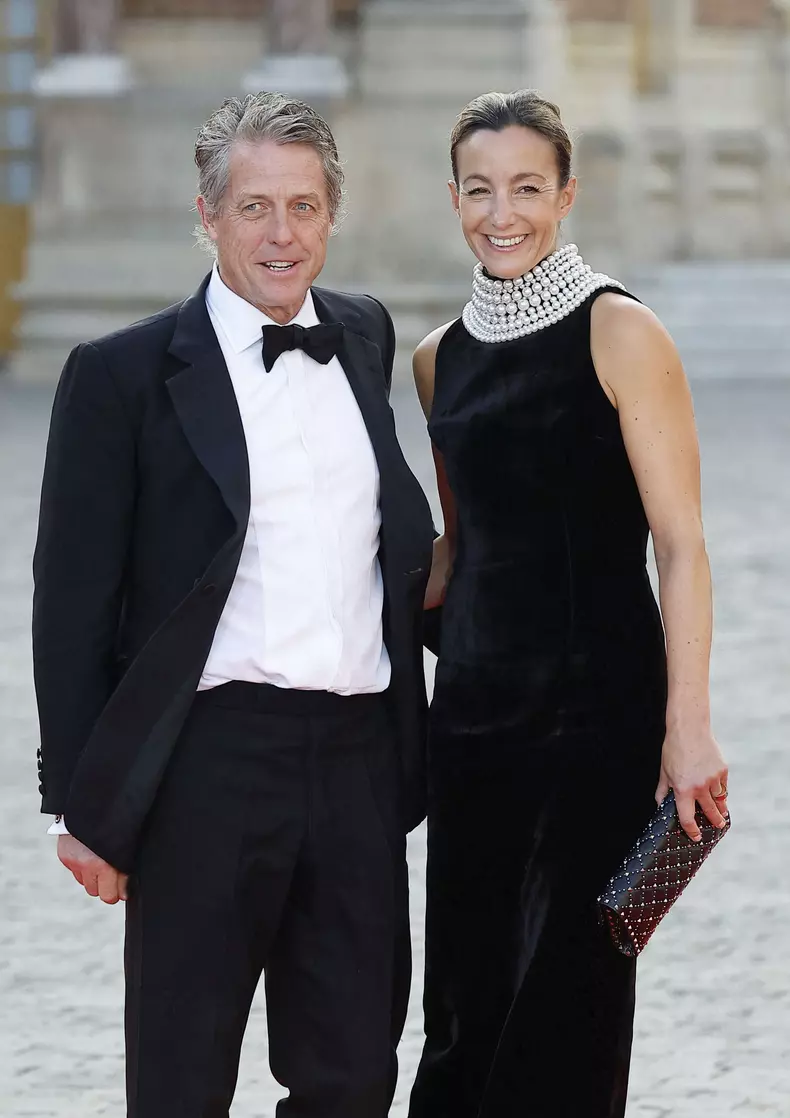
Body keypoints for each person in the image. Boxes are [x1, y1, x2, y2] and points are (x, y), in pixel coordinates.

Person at [32, 91, 435, 1118]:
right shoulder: (118, 375)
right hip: (206, 765)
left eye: (302, 206)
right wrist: (82, 801)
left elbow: (397, 547)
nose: (281, 233)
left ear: (332, 215)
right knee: (181, 1075)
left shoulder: (363, 336)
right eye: (253, 207)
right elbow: (72, 596)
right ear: (205, 216)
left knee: (352, 1073)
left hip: (356, 763)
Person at [408, 90, 729, 1118]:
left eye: (527, 187)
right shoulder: (433, 361)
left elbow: (679, 545)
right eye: (479, 188)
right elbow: (462, 546)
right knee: (461, 998)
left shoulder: (619, 331)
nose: (503, 212)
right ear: (452, 198)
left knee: (570, 999)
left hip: (598, 715)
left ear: (567, 193)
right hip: (471, 718)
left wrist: (687, 730)